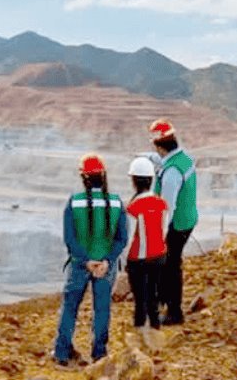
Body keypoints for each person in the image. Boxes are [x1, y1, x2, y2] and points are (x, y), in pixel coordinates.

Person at [53, 153, 128, 367]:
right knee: (102, 309)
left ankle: (61, 353)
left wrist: (86, 261)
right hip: (106, 266)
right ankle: (99, 354)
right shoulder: (115, 202)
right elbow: (121, 238)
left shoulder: (74, 202)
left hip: (79, 264)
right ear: (103, 176)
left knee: (70, 308)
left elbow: (70, 238)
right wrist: (106, 260)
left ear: (84, 178)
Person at [147, 119, 198, 325]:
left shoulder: (171, 173)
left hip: (176, 224)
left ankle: (174, 312)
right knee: (169, 263)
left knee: (170, 265)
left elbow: (166, 207)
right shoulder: (184, 159)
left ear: (160, 146)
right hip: (187, 219)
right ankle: (164, 300)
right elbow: (163, 161)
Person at [124, 156, 168, 346]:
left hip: (138, 260)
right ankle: (156, 330)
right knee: (153, 294)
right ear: (151, 179)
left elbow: (128, 236)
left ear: (134, 181)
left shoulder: (133, 207)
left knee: (140, 298)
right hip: (159, 256)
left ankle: (140, 334)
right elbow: (163, 230)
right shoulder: (161, 204)